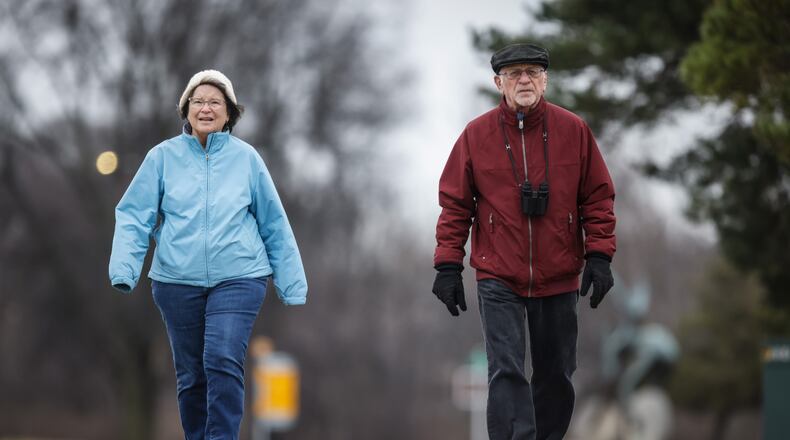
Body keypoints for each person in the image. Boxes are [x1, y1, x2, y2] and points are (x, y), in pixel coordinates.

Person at [109, 69, 307, 440]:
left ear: (229, 113)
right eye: (197, 101)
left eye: (215, 102)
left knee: (222, 358)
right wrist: (125, 268)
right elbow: (134, 215)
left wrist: (291, 282)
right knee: (192, 374)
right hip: (175, 282)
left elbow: (273, 222)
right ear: (186, 110)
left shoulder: (247, 159)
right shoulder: (161, 158)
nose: (205, 108)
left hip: (240, 277)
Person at [432, 43, 616, 440]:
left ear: (546, 80)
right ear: (499, 82)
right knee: (507, 370)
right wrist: (448, 264)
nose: (525, 80)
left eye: (533, 72)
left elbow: (598, 196)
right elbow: (454, 203)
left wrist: (600, 255)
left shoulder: (574, 131)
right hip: (498, 274)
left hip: (560, 272)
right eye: (515, 74)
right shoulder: (476, 135)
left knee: (556, 375)